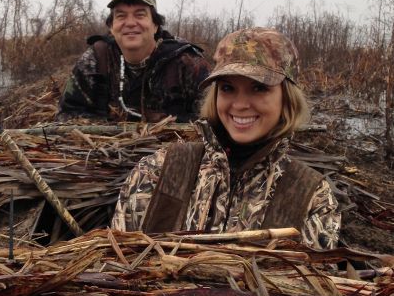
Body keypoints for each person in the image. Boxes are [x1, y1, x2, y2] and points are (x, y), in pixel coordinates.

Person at [112, 27, 340, 250]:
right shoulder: (156, 170)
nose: (240, 105)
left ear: (287, 97)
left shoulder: (311, 195)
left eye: (259, 88)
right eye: (228, 88)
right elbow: (116, 260)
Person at [56, 0, 211, 122]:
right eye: (121, 16)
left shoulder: (186, 61)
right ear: (111, 27)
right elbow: (66, 114)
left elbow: (212, 117)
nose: (130, 23)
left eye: (140, 15)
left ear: (155, 25)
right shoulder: (96, 59)